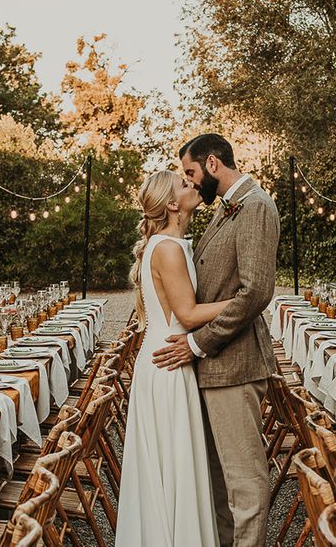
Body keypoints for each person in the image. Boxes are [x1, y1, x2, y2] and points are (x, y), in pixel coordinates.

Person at [153, 133, 279, 546]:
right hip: (211, 368)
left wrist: (196, 343)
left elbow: (256, 291)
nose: (188, 181)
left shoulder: (256, 206)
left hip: (234, 364)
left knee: (245, 483)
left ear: (211, 165)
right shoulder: (225, 209)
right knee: (218, 481)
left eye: (190, 172)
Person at [116, 169, 232, 546]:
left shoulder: (172, 245)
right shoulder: (166, 248)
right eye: (184, 185)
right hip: (168, 363)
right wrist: (242, 302)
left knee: (174, 463)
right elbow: (187, 314)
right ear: (170, 204)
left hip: (167, 357)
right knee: (174, 463)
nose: (193, 185)